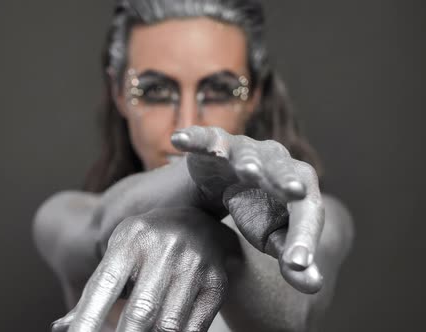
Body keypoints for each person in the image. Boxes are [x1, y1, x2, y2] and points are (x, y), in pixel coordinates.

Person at [33, 1, 354, 331]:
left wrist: (223, 248)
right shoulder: (65, 216)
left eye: (219, 90)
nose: (185, 123)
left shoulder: (322, 218)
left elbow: (293, 307)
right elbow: (99, 226)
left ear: (254, 96)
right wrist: (198, 184)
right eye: (155, 90)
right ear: (118, 94)